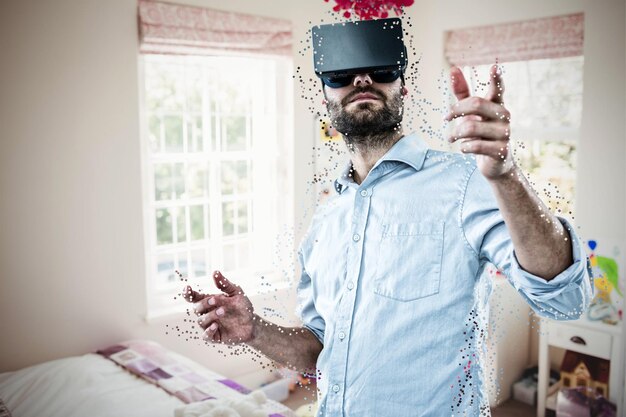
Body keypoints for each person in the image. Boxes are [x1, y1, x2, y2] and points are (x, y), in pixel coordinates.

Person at [184, 19, 592, 417]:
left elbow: (566, 299)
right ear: (325, 96)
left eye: (380, 70)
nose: (362, 81)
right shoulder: (324, 225)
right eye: (342, 75)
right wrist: (255, 329)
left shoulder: (466, 183)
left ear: (403, 88)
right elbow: (320, 349)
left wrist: (507, 175)